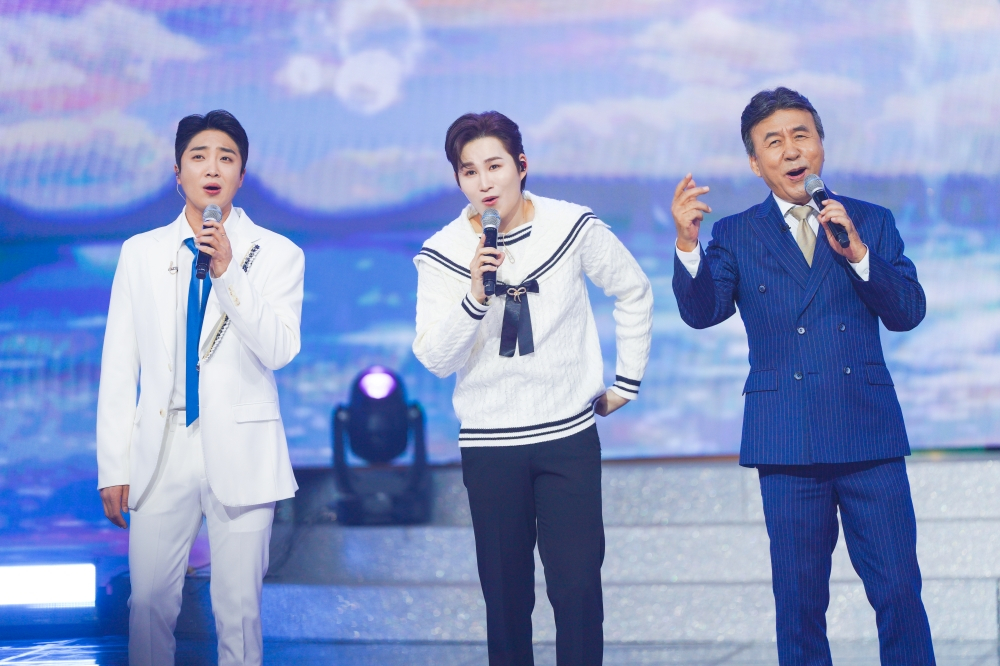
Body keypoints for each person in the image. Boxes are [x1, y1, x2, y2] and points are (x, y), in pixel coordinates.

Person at [671, 87, 935, 665]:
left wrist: (859, 255)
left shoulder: (870, 220)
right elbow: (702, 311)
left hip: (868, 434)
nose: (791, 150)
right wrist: (688, 246)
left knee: (898, 592)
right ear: (755, 162)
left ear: (820, 146)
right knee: (799, 605)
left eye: (801, 136)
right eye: (774, 142)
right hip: (787, 440)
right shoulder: (736, 233)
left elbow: (908, 312)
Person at [413, 111, 653, 665]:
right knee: (505, 602)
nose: (484, 182)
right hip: (491, 446)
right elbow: (434, 358)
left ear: (521, 165)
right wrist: (474, 296)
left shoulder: (571, 225)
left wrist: (626, 382)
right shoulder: (441, 252)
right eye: (469, 171)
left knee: (578, 592)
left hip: (566, 437)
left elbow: (633, 289)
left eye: (495, 165)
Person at [96, 110, 304, 666]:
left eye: (226, 158)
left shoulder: (278, 253)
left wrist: (228, 272)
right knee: (148, 605)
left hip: (242, 447)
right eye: (199, 157)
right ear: (177, 171)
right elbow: (119, 363)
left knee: (239, 610)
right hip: (162, 448)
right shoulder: (140, 253)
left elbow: (280, 349)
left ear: (241, 174)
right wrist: (113, 463)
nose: (212, 168)